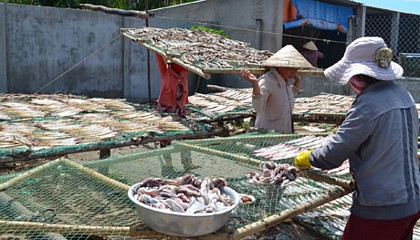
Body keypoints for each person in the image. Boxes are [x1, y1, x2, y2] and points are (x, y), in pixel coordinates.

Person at [294, 37, 420, 239]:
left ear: (359, 77)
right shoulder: (404, 94)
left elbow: (334, 153)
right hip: (412, 202)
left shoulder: (368, 103)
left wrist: (310, 157)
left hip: (382, 208)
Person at [239, 45, 314, 133]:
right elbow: (258, 107)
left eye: (296, 69)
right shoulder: (267, 81)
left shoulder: (284, 81)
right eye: (292, 69)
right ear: (281, 67)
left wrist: (297, 83)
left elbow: (286, 98)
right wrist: (255, 84)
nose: (294, 72)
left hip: (284, 131)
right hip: (268, 134)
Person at [155, 53, 198, 170]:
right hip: (166, 107)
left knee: (184, 135)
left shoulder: (184, 73)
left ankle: (187, 163)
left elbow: (192, 59)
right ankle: (168, 163)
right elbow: (159, 56)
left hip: (180, 108)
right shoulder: (166, 71)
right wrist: (156, 49)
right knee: (165, 137)